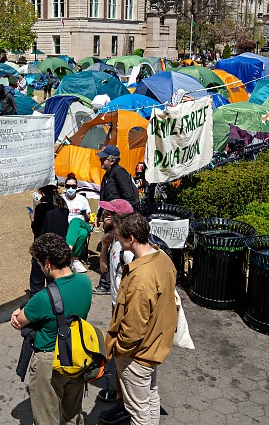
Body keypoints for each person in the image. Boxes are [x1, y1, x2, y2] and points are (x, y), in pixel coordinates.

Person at [10, 233, 92, 425]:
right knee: (72, 413)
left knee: (47, 417)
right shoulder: (85, 282)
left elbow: (19, 321)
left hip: (49, 359)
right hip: (77, 353)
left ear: (47, 263)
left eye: (39, 263)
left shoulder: (43, 298)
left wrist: (17, 313)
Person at [106, 212, 177, 425]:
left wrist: (119, 349)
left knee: (138, 411)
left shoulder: (140, 279)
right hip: (155, 344)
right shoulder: (162, 257)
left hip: (137, 354)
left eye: (119, 236)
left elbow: (133, 328)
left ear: (132, 239)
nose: (117, 239)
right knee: (150, 396)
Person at [94, 199, 135, 423]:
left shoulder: (127, 250)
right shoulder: (113, 242)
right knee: (118, 357)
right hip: (114, 305)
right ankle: (120, 397)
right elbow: (104, 269)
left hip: (124, 309)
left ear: (118, 220)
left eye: (107, 215)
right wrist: (105, 247)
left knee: (123, 357)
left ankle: (125, 406)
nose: (102, 217)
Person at [94, 145, 140, 295]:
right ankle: (106, 282)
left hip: (119, 219)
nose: (101, 160)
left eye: (104, 158)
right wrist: (100, 214)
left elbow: (129, 198)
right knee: (108, 246)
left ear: (112, 160)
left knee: (114, 249)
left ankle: (107, 284)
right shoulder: (107, 175)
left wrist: (121, 219)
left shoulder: (119, 173)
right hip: (110, 218)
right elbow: (105, 197)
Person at [29, 184, 69, 295]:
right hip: (59, 248)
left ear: (41, 191)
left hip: (43, 249)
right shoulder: (63, 205)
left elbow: (37, 230)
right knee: (55, 284)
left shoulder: (42, 208)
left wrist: (32, 219)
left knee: (37, 283)